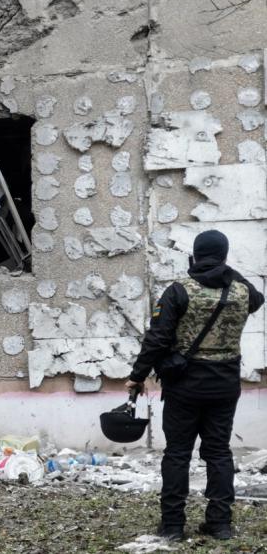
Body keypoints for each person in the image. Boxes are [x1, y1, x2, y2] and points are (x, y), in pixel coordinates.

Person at [125, 230, 264, 541]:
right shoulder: (242, 292)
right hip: (225, 386)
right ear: (225, 256)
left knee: (177, 453)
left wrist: (137, 375)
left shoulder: (179, 291)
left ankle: (173, 526)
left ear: (196, 256)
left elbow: (157, 339)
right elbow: (258, 296)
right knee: (218, 453)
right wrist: (227, 268)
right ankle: (220, 524)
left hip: (185, 386)